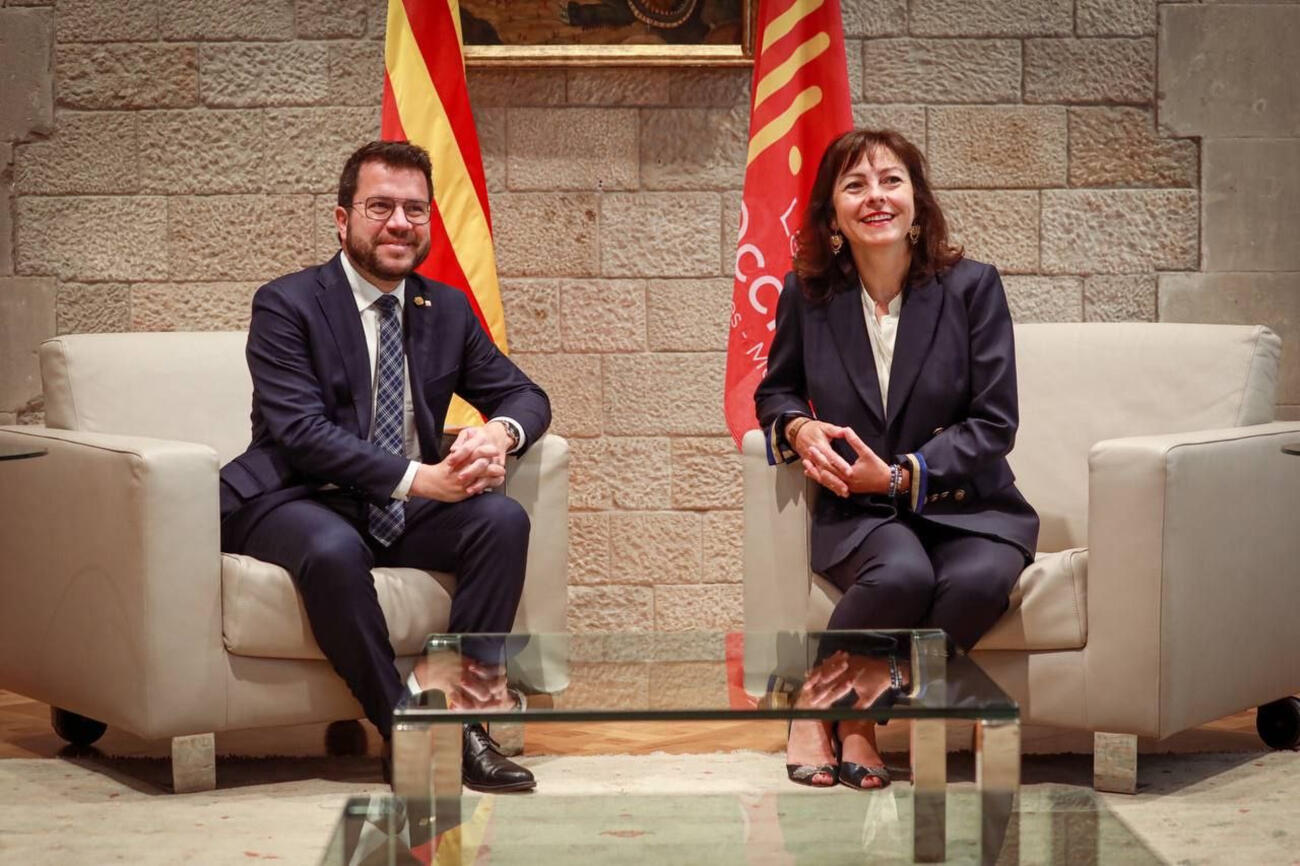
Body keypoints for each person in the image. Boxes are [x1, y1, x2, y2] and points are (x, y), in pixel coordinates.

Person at [218, 140, 550, 793]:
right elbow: (301, 433)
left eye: (415, 210)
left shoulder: (445, 309)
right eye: (380, 207)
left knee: (501, 520)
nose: (400, 223)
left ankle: (458, 722)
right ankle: (400, 728)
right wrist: (421, 478)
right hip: (292, 494)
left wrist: (499, 436)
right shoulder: (287, 304)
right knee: (335, 550)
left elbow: (525, 395)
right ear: (343, 220)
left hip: (392, 505)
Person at [754, 129, 1039, 790]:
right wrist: (796, 429)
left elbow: (994, 422)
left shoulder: (973, 289)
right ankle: (849, 726)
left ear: (918, 202)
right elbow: (775, 388)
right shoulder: (810, 296)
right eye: (854, 185)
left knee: (972, 582)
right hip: (859, 509)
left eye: (891, 181)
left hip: (970, 504)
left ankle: (829, 703)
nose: (875, 197)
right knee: (902, 573)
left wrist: (901, 475)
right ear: (831, 214)